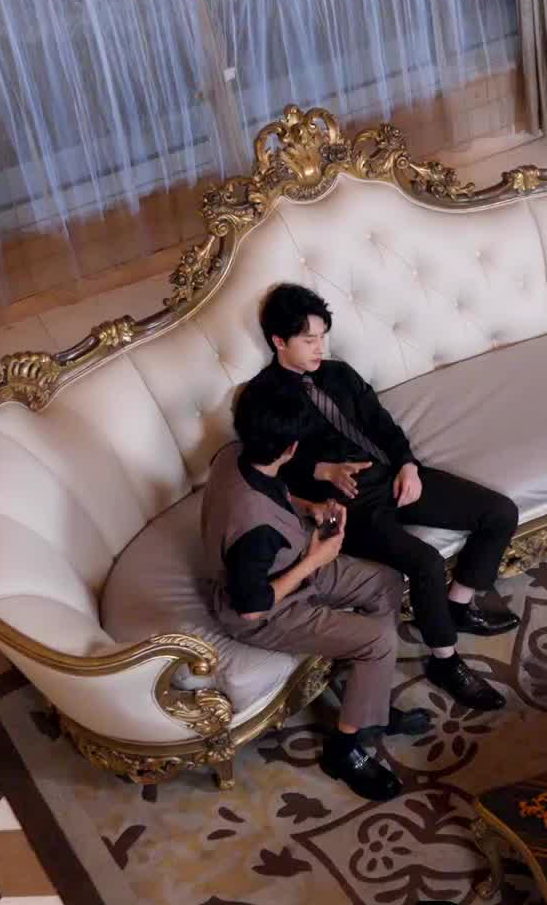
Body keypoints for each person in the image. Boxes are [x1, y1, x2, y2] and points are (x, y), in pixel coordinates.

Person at [256, 283, 520, 712]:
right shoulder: (263, 397)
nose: (320, 348)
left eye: (322, 337)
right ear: (279, 341)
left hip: (391, 476)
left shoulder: (339, 374)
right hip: (348, 504)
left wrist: (408, 465)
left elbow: (382, 424)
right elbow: (266, 463)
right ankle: (445, 661)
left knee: (499, 512)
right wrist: (322, 471)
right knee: (426, 562)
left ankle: (457, 607)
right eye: (308, 340)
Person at [201, 369, 429, 803]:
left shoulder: (234, 454)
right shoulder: (254, 529)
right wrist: (315, 560)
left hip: (289, 559)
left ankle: (368, 707)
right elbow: (251, 606)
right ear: (291, 448)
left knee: (386, 581)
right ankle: (345, 750)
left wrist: (311, 506)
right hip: (267, 610)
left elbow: (274, 491)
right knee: (379, 641)